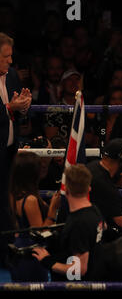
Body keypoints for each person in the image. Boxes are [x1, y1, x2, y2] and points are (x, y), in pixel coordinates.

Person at [32, 164, 104, 281]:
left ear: (66, 189)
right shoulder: (94, 210)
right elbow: (101, 229)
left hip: (79, 284)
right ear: (88, 188)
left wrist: (48, 261)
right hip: (94, 276)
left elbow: (79, 270)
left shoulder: (78, 222)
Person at [0, 32, 32, 265]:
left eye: (10, 56)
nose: (10, 62)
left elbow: (16, 113)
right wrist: (10, 107)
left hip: (9, 150)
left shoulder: (11, 76)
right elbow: (7, 109)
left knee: (9, 204)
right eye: (5, 57)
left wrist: (22, 107)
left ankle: (8, 254)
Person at [7, 151, 60, 281]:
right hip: (31, 254)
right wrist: (53, 210)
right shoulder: (30, 200)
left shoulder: (13, 194)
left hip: (20, 251)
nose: (42, 168)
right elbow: (40, 234)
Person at [87, 138, 122, 241]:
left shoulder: (93, 166)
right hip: (94, 235)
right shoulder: (106, 188)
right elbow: (121, 221)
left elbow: (116, 176)